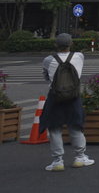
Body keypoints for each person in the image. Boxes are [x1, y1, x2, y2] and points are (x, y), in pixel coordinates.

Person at [39, 34, 94, 171]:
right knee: (75, 126)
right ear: (71, 44)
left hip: (55, 97)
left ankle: (58, 161)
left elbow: (46, 76)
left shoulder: (48, 60)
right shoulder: (79, 56)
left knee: (54, 128)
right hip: (73, 97)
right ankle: (80, 157)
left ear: (55, 45)